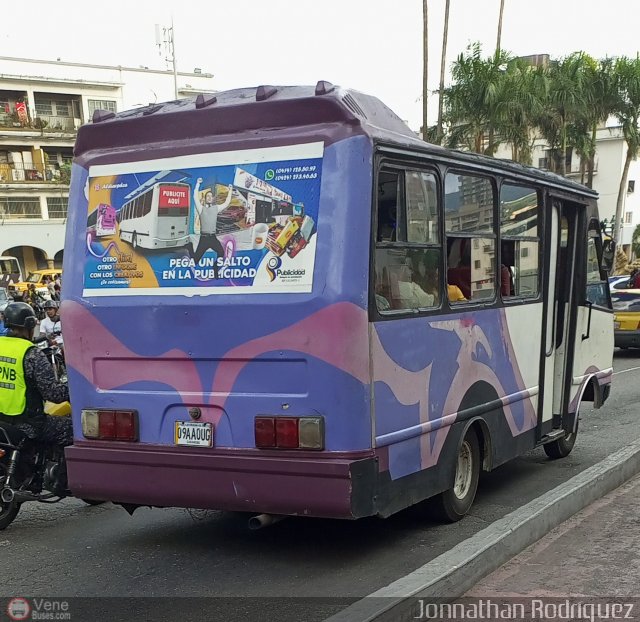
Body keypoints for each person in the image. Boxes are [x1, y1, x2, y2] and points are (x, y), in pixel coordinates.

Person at [0, 302, 71, 447]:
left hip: (2, 423)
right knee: (72, 428)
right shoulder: (31, 353)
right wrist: (75, 387)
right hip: (27, 425)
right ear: (30, 326)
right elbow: (53, 394)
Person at [190, 179, 234, 274]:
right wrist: (197, 184)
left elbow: (226, 203)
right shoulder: (201, 208)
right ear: (205, 198)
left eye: (211, 196)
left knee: (221, 253)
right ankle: (189, 247)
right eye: (208, 196)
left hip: (213, 238)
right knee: (195, 261)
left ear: (212, 198)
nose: (209, 197)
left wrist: (230, 190)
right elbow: (195, 197)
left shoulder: (216, 208)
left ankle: (215, 267)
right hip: (204, 238)